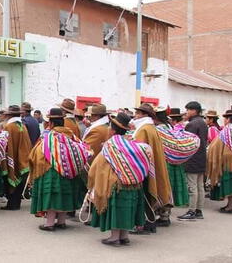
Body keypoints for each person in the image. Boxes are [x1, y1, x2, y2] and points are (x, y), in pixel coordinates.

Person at [88, 113, 152, 246]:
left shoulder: (111, 145)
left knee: (117, 208)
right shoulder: (134, 143)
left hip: (116, 183)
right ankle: (124, 236)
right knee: (128, 208)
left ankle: (114, 237)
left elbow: (98, 164)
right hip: (134, 183)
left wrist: (93, 178)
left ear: (112, 130)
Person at [28, 108, 91, 231]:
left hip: (52, 170)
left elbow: (38, 153)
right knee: (64, 195)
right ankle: (61, 221)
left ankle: (49, 223)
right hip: (70, 171)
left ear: (51, 123)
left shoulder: (48, 137)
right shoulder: (71, 135)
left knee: (52, 195)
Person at [131, 103, 172, 234]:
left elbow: (138, 150)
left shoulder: (144, 129)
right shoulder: (149, 127)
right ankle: (150, 222)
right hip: (150, 166)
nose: (135, 115)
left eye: (138, 113)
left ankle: (146, 224)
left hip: (144, 168)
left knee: (146, 195)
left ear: (144, 115)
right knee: (148, 194)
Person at [177, 101, 208, 221]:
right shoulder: (203, 123)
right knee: (200, 185)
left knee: (192, 186)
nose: (186, 112)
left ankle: (191, 211)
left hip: (193, 158)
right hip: (201, 157)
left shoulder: (192, 124)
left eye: (188, 110)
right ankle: (199, 210)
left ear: (194, 110)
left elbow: (188, 143)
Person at [1, 105, 32, 210]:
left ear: (9, 115)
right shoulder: (22, 126)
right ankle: (16, 202)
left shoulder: (9, 127)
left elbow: (5, 144)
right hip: (22, 158)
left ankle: (12, 203)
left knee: (11, 177)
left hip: (12, 157)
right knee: (19, 179)